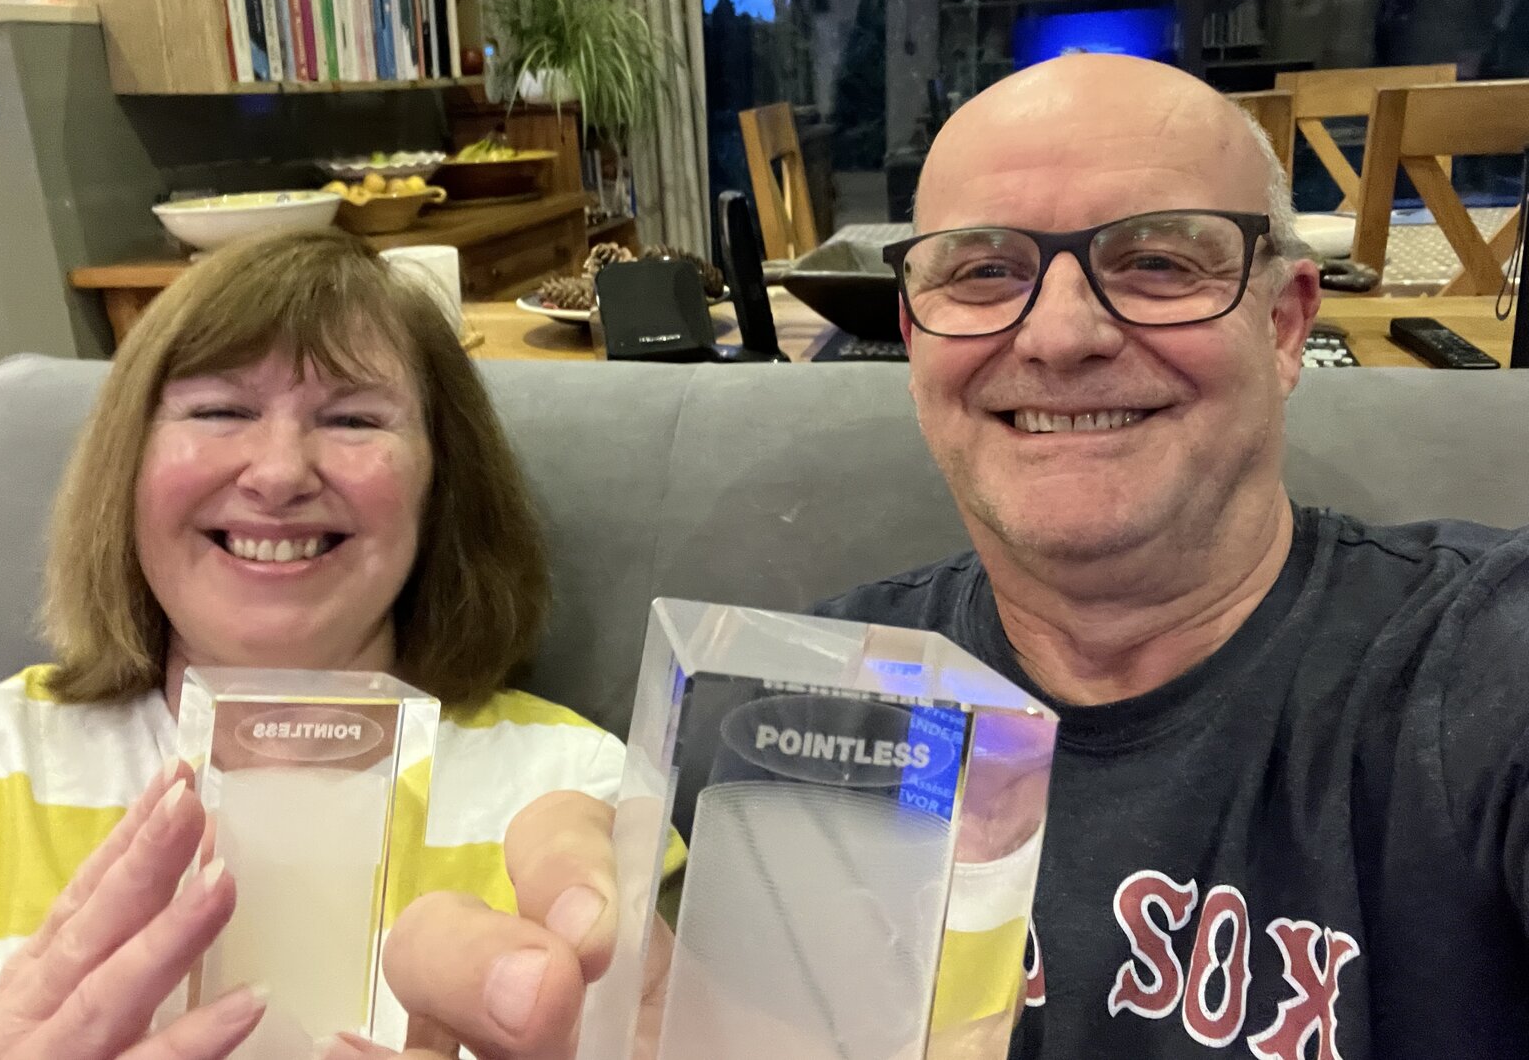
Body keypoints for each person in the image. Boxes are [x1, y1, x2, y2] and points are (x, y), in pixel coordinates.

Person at [376, 52, 1529, 1060]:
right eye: (981, 272)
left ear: (1282, 323)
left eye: (1157, 262)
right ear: (912, 338)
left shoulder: (1480, 665)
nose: (1061, 334)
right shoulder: (800, 715)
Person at [0, 229, 680, 1060]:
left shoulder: (579, 789)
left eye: (354, 419)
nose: (279, 474)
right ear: (125, 468)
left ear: (441, 487)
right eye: (220, 411)